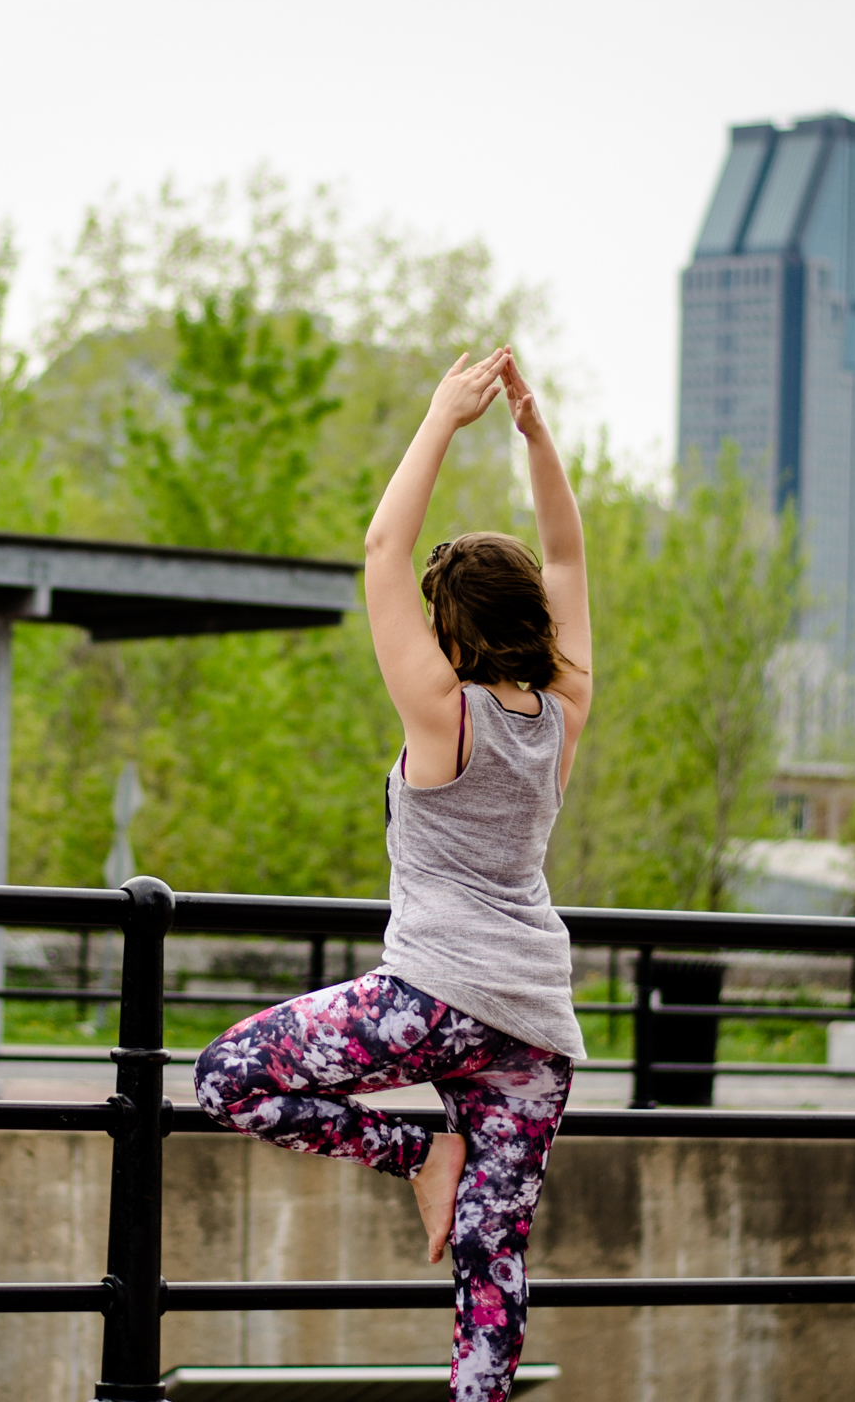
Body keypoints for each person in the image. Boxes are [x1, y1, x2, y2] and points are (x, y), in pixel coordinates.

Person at [195, 347, 589, 1402]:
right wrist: (536, 439)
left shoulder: (441, 711)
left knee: (223, 1076)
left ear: (450, 628)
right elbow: (569, 560)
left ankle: (415, 1153)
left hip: (433, 1002)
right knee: (490, 1275)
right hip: (537, 1033)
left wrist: (440, 418)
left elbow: (380, 543)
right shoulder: (564, 711)